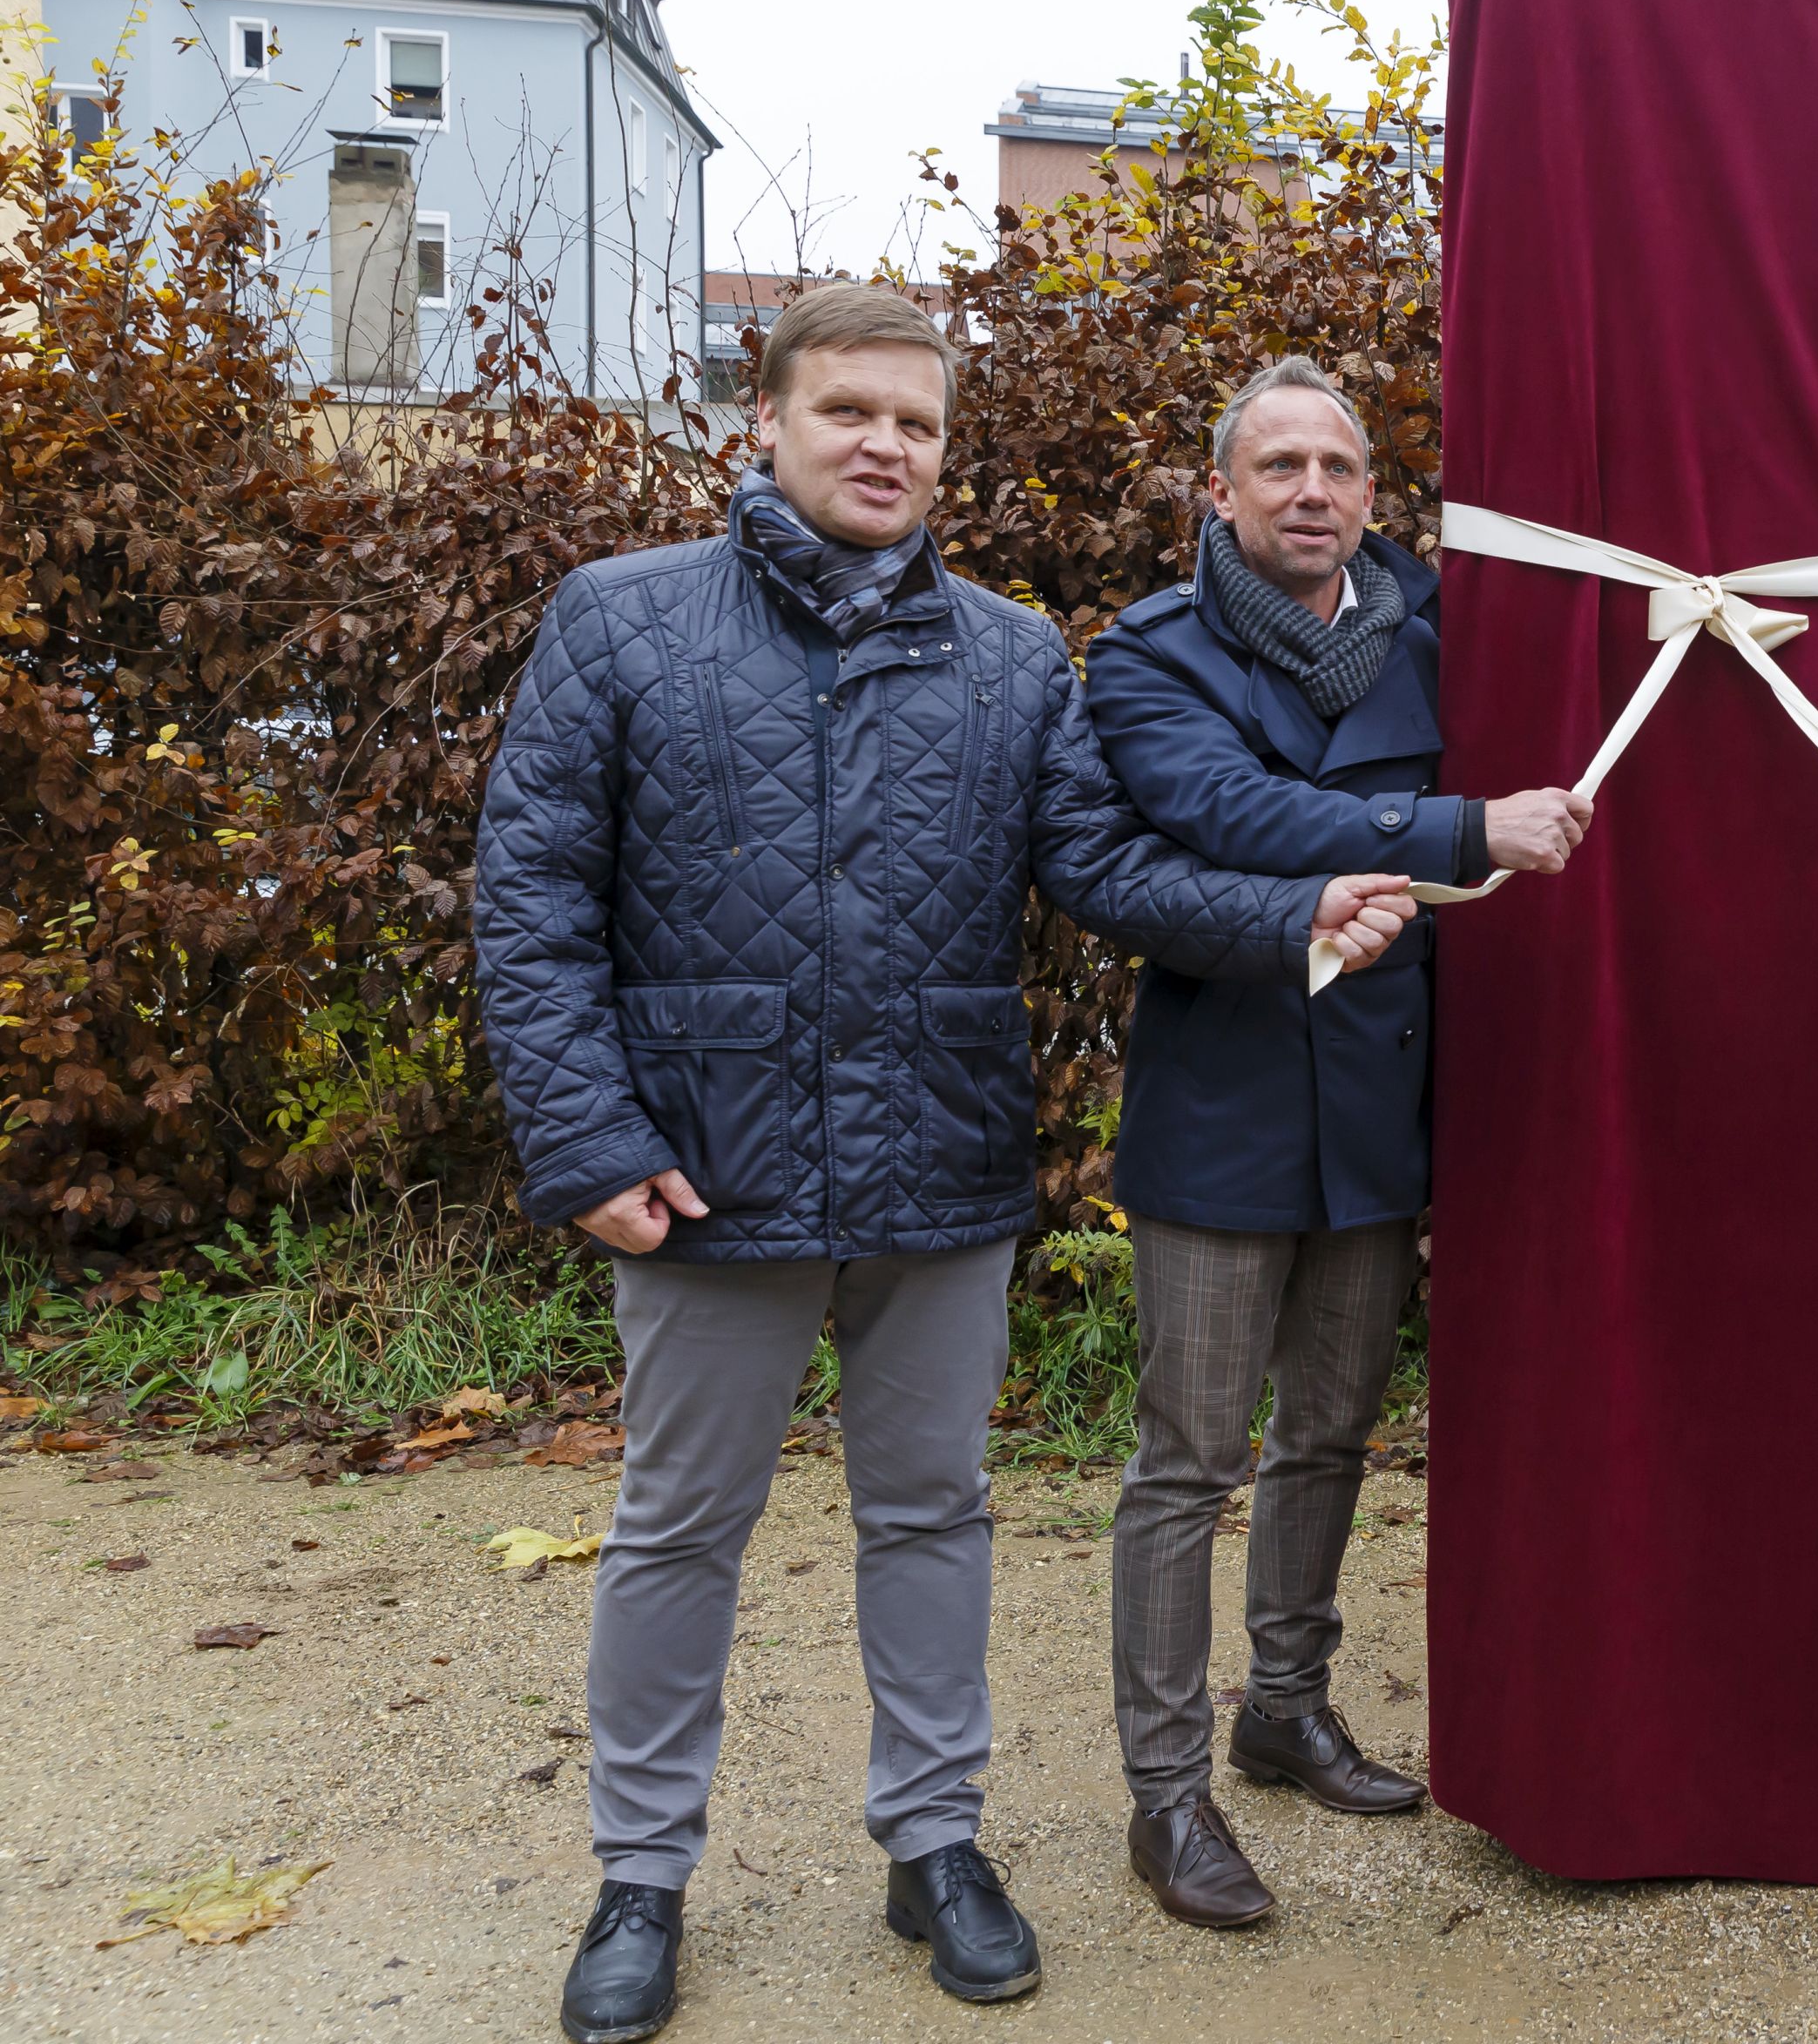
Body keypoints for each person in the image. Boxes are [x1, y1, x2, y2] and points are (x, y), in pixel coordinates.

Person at [474, 288, 1413, 2044]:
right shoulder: (621, 625)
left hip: (938, 1163)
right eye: (847, 413)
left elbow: (1104, 869)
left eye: (913, 422)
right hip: (704, 1174)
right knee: (680, 1530)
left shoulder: (1005, 656)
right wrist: (587, 1137)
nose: (883, 446)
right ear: (765, 421)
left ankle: (934, 1844)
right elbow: (529, 902)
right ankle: (640, 1876)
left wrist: (1295, 913)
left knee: (932, 1518)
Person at [1079, 355, 1592, 1930]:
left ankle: (1282, 1707)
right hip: (1223, 1114)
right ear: (1220, 496)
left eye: (1341, 467)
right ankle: (1168, 1798)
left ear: (1376, 492)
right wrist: (1450, 833)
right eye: (1280, 467)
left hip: (1377, 1114)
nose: (1314, 492)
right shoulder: (1148, 657)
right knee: (1189, 1463)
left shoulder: (1438, 636)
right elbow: (1221, 812)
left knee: (1331, 1438)